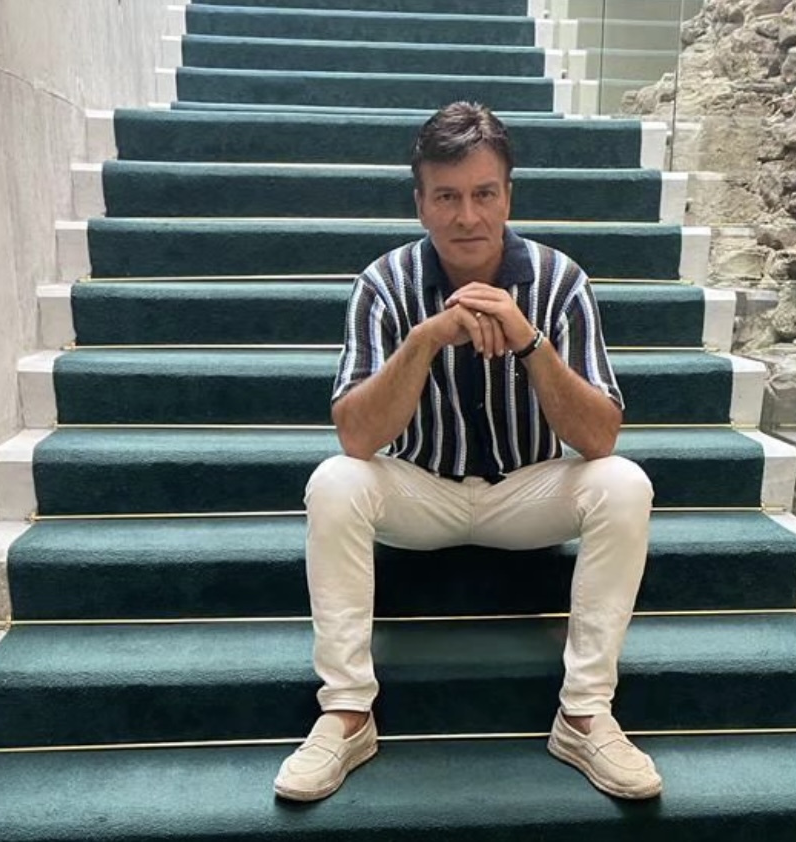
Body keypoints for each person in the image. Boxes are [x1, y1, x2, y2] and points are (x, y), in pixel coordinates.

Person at [273, 101, 659, 803]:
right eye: (446, 197)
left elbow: (599, 438)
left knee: (623, 481)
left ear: (508, 195)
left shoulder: (560, 281)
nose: (467, 217)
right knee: (334, 480)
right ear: (420, 203)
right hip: (422, 492)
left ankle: (584, 715)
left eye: (484, 194)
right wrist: (423, 340)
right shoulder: (383, 284)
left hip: (527, 493)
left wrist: (529, 341)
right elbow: (356, 438)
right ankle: (347, 713)